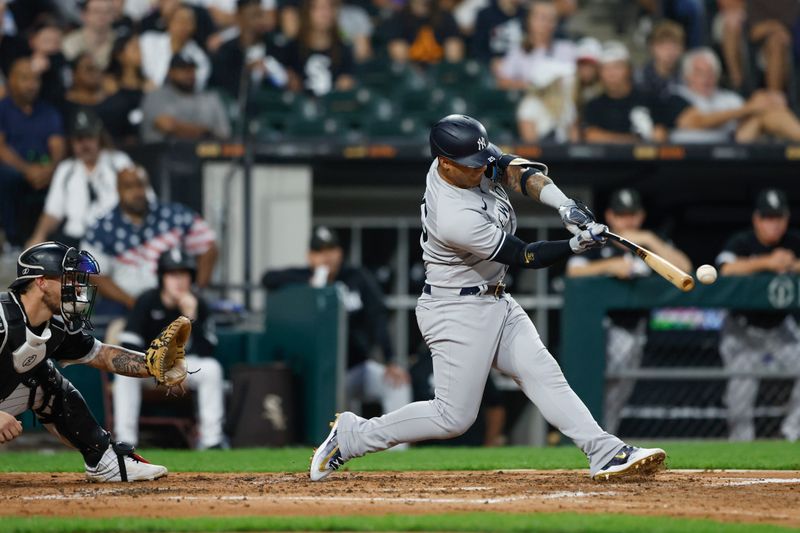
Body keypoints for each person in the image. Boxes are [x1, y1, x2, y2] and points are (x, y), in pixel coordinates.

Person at [310, 114, 667, 482]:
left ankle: (605, 452)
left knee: (543, 373)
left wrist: (564, 205)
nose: (482, 169)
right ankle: (353, 437)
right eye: (471, 166)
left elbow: (517, 171)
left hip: (494, 299)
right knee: (453, 418)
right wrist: (575, 244)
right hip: (456, 308)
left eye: (482, 160)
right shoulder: (453, 215)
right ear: (444, 163)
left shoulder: (469, 158)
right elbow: (524, 255)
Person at [0, 241, 177, 481]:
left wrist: (154, 365)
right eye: (67, 278)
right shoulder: (2, 316)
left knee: (46, 379)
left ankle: (103, 461)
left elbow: (102, 355)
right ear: (40, 281)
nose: (76, 286)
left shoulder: (57, 327)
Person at [565, 188, 691, 434]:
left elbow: (684, 270)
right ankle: (590, 437)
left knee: (619, 394)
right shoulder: (598, 238)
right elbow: (573, 271)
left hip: (636, 329)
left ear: (641, 216)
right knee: (595, 389)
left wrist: (650, 240)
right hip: (602, 331)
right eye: (622, 215)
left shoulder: (649, 244)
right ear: (610, 216)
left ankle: (605, 438)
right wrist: (610, 266)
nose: (627, 221)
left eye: (632, 214)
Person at [263, 226, 413, 424]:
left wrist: (390, 359)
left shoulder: (356, 277)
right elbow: (268, 278)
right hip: (317, 376)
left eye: (331, 250)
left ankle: (398, 452)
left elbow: (377, 317)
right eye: (320, 252)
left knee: (396, 384)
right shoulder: (303, 278)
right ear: (310, 256)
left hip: (354, 368)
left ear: (340, 252)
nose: (326, 257)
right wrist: (309, 285)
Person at [114, 248, 226, 449]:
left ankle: (212, 441)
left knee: (212, 368)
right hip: (148, 368)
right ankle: (126, 442)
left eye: (184, 274)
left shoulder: (198, 304)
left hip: (184, 369)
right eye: (173, 274)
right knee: (124, 373)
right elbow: (128, 344)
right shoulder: (147, 300)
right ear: (162, 277)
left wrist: (191, 317)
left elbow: (207, 349)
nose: (179, 281)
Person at [715, 188, 800, 442]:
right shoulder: (742, 242)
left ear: (786, 219)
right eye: (768, 218)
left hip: (780, 329)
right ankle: (741, 446)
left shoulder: (794, 242)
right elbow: (725, 269)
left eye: (778, 218)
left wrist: (793, 265)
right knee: (740, 395)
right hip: (743, 330)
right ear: (757, 219)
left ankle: (790, 433)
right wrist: (767, 263)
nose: (773, 224)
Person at [81, 166, 218, 313]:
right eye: (129, 186)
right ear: (118, 190)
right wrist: (133, 303)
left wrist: (194, 290)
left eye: (140, 185)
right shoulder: (102, 228)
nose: (137, 192)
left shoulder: (175, 216)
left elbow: (209, 247)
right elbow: (94, 274)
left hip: (172, 301)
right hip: (123, 304)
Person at [27, 109, 131, 248]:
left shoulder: (119, 162)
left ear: (99, 137)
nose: (84, 144)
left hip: (114, 237)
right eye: (79, 139)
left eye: (89, 137)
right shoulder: (66, 169)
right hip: (74, 240)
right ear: (71, 141)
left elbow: (144, 201)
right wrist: (38, 236)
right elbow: (52, 212)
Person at [0, 56, 65, 247]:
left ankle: (59, 240)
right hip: (14, 168)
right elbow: (1, 148)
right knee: (5, 177)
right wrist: (27, 170)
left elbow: (58, 145)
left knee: (66, 174)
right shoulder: (2, 109)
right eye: (25, 78)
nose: (31, 85)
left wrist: (52, 169)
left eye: (35, 79)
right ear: (11, 80)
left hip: (45, 167)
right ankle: (12, 239)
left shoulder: (48, 111)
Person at [670, 48, 800, 143]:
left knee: (767, 112)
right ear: (687, 76)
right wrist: (750, 107)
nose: (706, 78)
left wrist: (767, 100)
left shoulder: (728, 98)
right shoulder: (677, 95)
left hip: (731, 155)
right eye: (699, 73)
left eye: (711, 73)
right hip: (690, 157)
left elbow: (747, 119)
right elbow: (696, 122)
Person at [583, 41, 666, 144]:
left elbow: (660, 135)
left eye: (617, 67)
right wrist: (636, 141)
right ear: (599, 73)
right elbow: (592, 136)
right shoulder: (594, 105)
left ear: (629, 69)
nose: (611, 74)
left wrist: (609, 138)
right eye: (606, 68)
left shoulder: (649, 99)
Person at [140, 54, 231, 143]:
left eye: (192, 69)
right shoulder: (156, 96)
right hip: (163, 154)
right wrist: (206, 132)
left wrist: (180, 127)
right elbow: (167, 126)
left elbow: (224, 133)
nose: (189, 73)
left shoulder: (210, 98)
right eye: (183, 69)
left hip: (205, 156)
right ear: (170, 72)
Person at [209, 0, 288, 99]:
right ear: (239, 18)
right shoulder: (225, 52)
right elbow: (217, 88)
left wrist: (272, 71)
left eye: (260, 15)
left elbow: (290, 85)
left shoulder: (277, 48)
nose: (259, 21)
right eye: (253, 16)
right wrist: (244, 71)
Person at [282, 0, 355, 97]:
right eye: (319, 8)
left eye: (330, 8)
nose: (325, 13)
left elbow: (348, 82)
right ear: (307, 13)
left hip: (334, 108)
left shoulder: (344, 49)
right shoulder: (291, 49)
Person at [140, 3, 212, 90]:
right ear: (169, 23)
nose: (184, 26)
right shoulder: (148, 42)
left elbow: (196, 89)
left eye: (188, 22)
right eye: (180, 21)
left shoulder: (199, 58)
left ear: (194, 27)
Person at [382, 0, 464, 66]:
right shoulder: (398, 18)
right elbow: (398, 54)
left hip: (441, 74)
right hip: (410, 77)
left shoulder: (446, 17)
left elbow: (454, 54)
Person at [62, 0, 115, 70]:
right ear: (84, 15)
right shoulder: (70, 43)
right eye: (96, 11)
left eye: (107, 12)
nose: (102, 16)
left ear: (113, 15)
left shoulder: (121, 42)